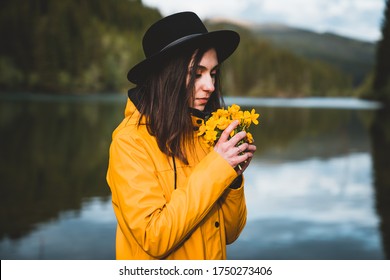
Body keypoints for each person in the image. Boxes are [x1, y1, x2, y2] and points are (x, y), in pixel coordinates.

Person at [106, 11, 256, 260]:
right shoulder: (129, 143)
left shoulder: (206, 135)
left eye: (213, 73)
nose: (210, 85)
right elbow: (154, 238)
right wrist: (218, 167)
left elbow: (230, 233)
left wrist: (232, 177)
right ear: (167, 76)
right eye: (197, 74)